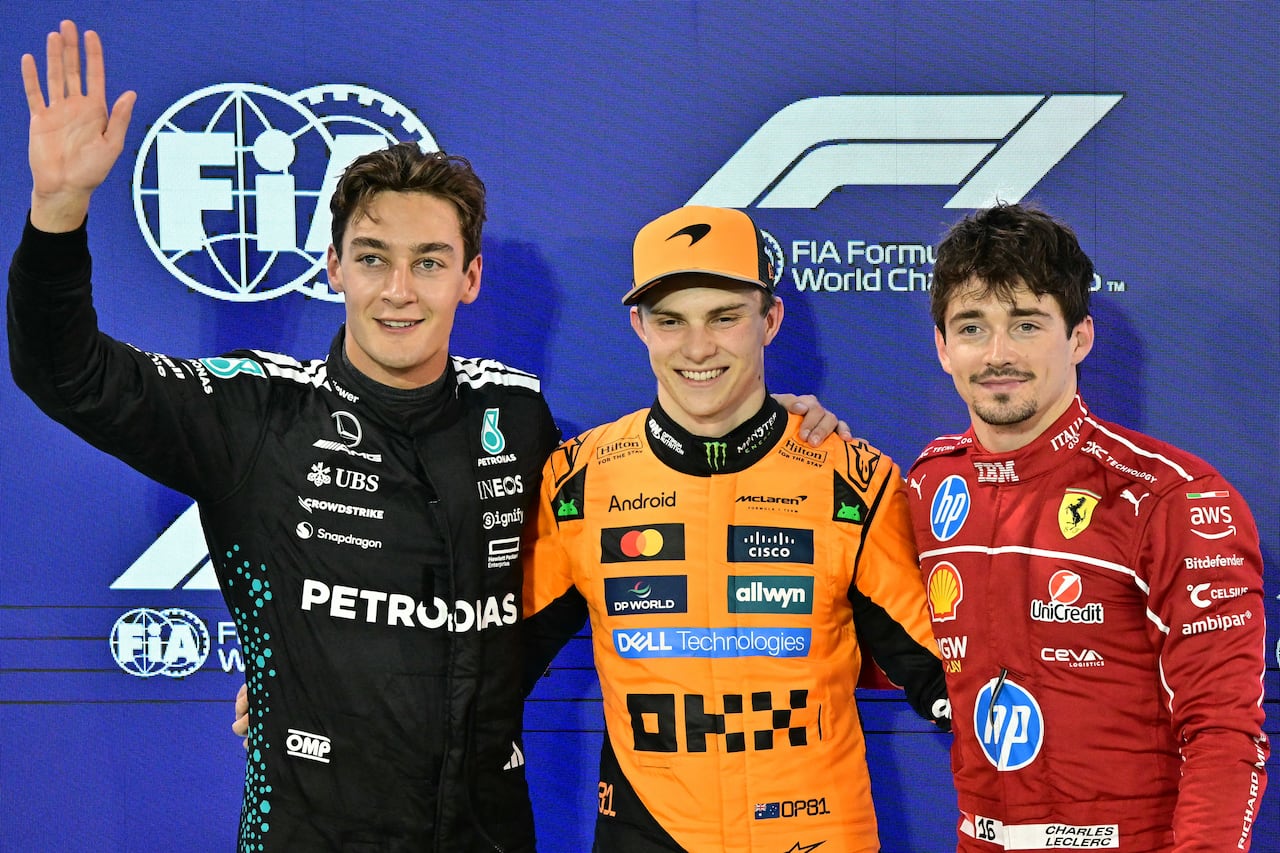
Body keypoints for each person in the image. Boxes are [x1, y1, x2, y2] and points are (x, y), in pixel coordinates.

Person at [12, 21, 847, 851]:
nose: (399, 291)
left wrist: (764, 430)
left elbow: (631, 522)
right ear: (334, 268)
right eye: (373, 258)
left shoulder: (515, 417)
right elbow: (68, 372)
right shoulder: (255, 410)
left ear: (469, 277)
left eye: (430, 261)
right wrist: (59, 209)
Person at [522, 204, 952, 852]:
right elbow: (486, 672)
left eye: (725, 317)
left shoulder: (853, 478)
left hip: (817, 836)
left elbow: (947, 677)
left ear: (770, 320)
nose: (698, 348)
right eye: (671, 320)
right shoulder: (578, 481)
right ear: (639, 326)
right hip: (648, 836)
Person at [907, 202, 1269, 851]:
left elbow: (1223, 730)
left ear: (1079, 338)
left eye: (1026, 324)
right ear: (942, 348)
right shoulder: (930, 484)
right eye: (972, 327)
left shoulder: (1171, 496)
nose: (997, 354)